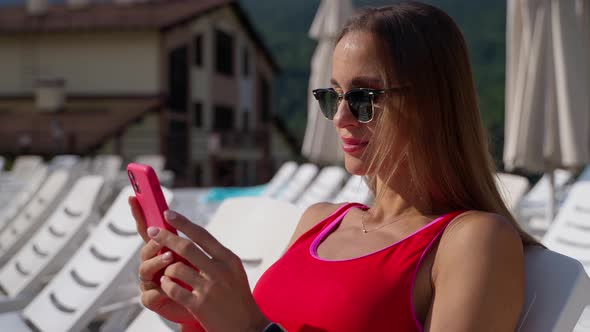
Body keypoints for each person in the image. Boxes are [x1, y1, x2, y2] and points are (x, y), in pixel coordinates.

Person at [130, 2, 537, 331]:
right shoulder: (318, 221)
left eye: (363, 97)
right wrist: (196, 313)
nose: (340, 117)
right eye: (333, 96)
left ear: (432, 104)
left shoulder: (472, 241)